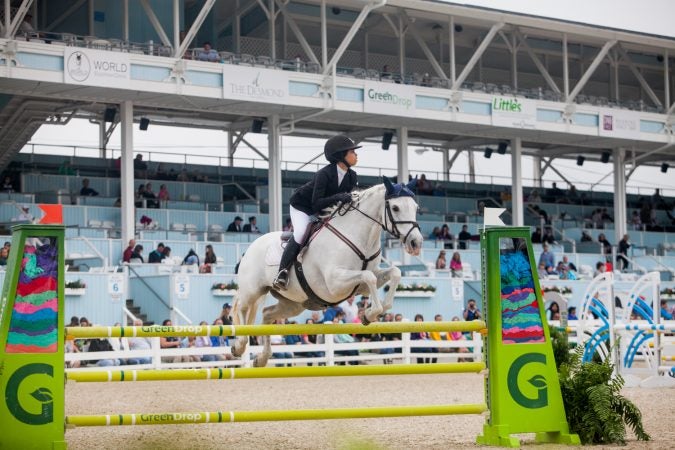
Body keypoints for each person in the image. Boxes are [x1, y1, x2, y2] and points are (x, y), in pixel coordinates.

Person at [273, 134, 360, 290]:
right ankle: (282, 272)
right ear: (341, 156)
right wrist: (339, 197)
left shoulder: (352, 176)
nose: (356, 155)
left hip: (325, 209)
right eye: (352, 152)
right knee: (300, 233)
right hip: (303, 206)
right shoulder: (324, 174)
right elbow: (316, 203)